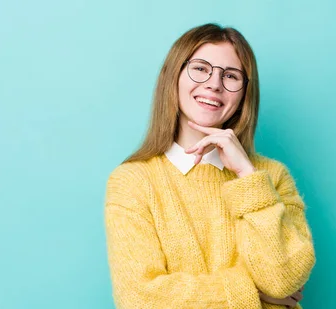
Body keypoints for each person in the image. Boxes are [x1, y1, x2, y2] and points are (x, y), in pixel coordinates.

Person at [104, 23, 316, 308]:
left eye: (230, 76)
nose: (215, 84)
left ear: (243, 95)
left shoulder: (271, 176)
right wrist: (251, 293)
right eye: (201, 68)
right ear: (174, 77)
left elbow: (283, 280)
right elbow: (140, 297)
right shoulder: (133, 181)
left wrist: (246, 176)